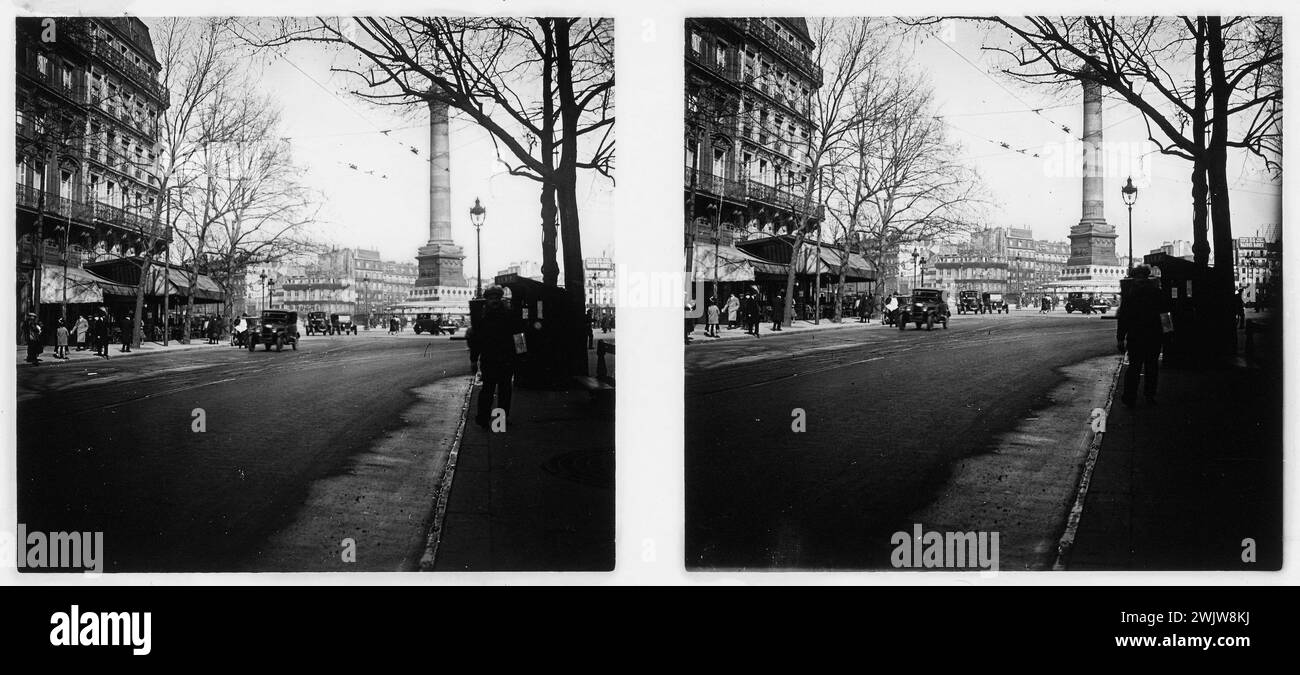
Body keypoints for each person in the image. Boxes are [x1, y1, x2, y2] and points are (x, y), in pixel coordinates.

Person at [1116, 265, 1167, 406]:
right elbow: (1164, 314)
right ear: (1147, 276)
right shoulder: (1157, 292)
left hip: (1136, 336)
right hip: (1154, 335)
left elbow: (1123, 319)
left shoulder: (1130, 295)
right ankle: (1149, 396)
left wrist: (1120, 338)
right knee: (1152, 367)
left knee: (1134, 367)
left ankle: (1129, 397)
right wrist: (1168, 333)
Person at [470, 285, 517, 429]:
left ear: (500, 298)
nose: (494, 300)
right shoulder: (482, 317)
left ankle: (499, 422)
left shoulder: (507, 315)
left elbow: (518, 335)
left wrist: (521, 355)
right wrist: (473, 359)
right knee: (489, 390)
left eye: (496, 297)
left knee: (503, 391)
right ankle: (484, 419)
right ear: (487, 299)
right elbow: (476, 340)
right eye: (491, 298)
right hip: (490, 359)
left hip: (505, 359)